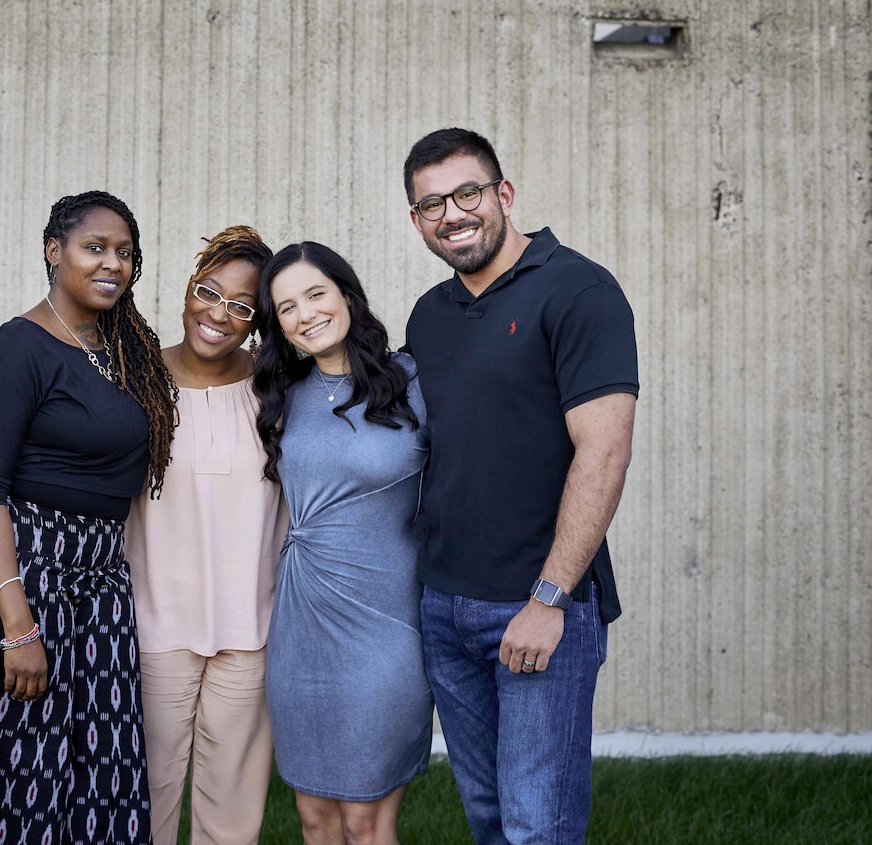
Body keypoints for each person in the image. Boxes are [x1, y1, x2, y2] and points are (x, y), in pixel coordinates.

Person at [0, 191, 177, 844]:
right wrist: (17, 622)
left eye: (125, 252)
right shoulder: (17, 348)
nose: (113, 263)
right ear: (54, 251)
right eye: (95, 248)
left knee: (104, 758)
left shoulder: (125, 349)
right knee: (15, 764)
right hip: (21, 571)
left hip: (97, 575)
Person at [402, 128, 638, 844]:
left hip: (538, 606)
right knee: (490, 817)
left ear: (503, 194)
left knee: (540, 825)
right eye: (431, 203)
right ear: (417, 220)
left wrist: (549, 598)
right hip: (444, 608)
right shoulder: (430, 314)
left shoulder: (578, 289)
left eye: (467, 192)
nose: (453, 213)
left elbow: (604, 451)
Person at [253, 242, 433, 845]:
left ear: (346, 295)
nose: (304, 315)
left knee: (364, 819)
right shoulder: (279, 395)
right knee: (314, 819)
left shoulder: (412, 382)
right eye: (285, 308)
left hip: (386, 626)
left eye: (315, 294)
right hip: (301, 624)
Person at [123, 225, 285, 844]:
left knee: (233, 813)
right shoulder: (133, 381)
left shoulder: (278, 392)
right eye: (208, 291)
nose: (218, 314)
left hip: (251, 627)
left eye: (241, 306)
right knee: (144, 800)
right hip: (152, 624)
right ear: (188, 288)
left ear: (257, 321)